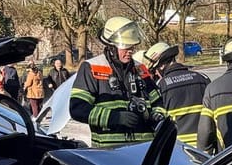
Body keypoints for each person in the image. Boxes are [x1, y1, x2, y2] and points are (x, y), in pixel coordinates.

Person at [69, 17, 165, 147]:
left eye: (131, 46)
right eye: (125, 46)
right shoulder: (92, 67)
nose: (130, 50)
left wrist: (157, 115)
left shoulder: (140, 68)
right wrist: (114, 118)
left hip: (144, 151)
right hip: (109, 154)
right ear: (111, 46)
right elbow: (78, 108)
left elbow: (158, 101)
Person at [140, 42, 210, 148]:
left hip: (177, 149)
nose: (156, 75)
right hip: (204, 148)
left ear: (162, 65)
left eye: (155, 70)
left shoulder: (161, 86)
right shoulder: (202, 78)